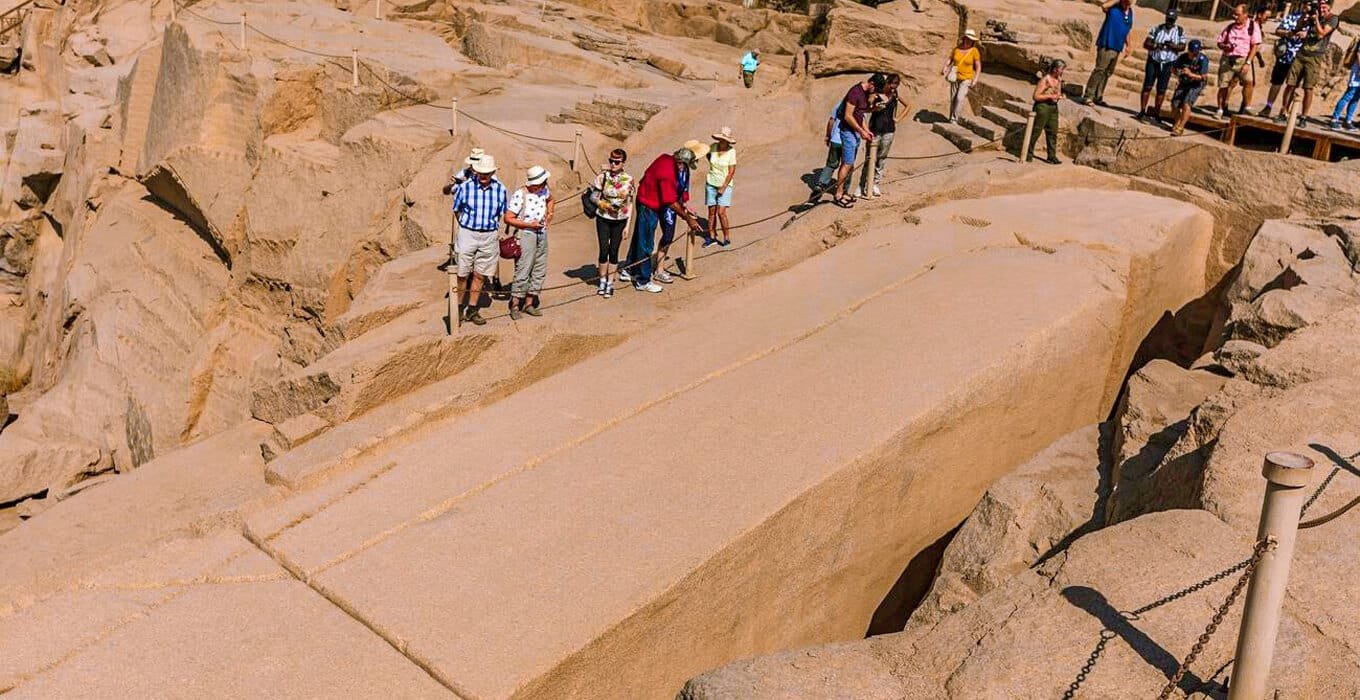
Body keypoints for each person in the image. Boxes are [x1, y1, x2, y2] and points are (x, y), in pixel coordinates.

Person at [621, 146, 705, 293]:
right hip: (648, 204)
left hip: (654, 201)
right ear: (679, 162)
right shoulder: (667, 173)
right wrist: (687, 219)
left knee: (639, 238)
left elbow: (680, 189)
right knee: (646, 241)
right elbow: (670, 201)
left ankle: (630, 269)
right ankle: (643, 280)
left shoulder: (670, 161)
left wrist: (685, 204)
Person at [450, 155, 508, 326]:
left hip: (489, 235)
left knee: (480, 274)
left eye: (487, 173)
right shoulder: (465, 187)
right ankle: (458, 308)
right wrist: (465, 227)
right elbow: (457, 210)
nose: (484, 176)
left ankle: (472, 310)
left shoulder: (500, 189)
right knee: (462, 273)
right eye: (481, 173)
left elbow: (502, 212)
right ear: (475, 171)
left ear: (492, 173)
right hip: (468, 232)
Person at [504, 166, 554, 320]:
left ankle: (529, 303)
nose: (545, 184)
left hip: (541, 234)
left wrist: (550, 214)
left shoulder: (544, 191)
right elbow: (508, 218)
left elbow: (551, 200)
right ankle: (515, 305)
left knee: (539, 268)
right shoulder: (521, 194)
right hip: (526, 234)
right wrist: (529, 225)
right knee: (523, 269)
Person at [1284, 0, 1338, 125]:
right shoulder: (1314, 14)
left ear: (1329, 7)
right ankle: (1284, 111)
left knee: (1308, 88)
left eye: (1324, 7)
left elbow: (1321, 33)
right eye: (1321, 7)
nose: (1322, 9)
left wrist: (1316, 20)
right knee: (1290, 84)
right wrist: (1305, 16)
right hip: (1301, 53)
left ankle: (1304, 116)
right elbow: (1297, 28)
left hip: (1315, 57)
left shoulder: (1333, 19)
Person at [831, 74, 881, 209]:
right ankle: (838, 194)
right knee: (847, 164)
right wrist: (861, 131)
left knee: (851, 163)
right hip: (848, 131)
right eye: (875, 89)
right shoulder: (855, 92)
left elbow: (860, 115)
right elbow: (848, 116)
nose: (874, 93)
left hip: (855, 132)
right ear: (871, 83)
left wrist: (866, 130)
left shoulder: (864, 93)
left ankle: (844, 192)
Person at [592, 148, 633, 298]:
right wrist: (603, 205)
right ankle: (602, 281)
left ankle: (610, 283)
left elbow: (630, 203)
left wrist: (628, 226)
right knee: (604, 250)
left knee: (614, 251)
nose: (613, 164)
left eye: (617, 162)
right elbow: (594, 197)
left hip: (620, 220)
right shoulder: (602, 177)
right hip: (603, 217)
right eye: (611, 161)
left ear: (623, 163)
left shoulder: (628, 179)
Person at [1136, 9, 1186, 123]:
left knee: (1161, 89)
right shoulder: (1157, 29)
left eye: (1172, 20)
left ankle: (1156, 112)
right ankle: (1142, 111)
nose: (1169, 21)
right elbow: (1146, 43)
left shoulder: (1179, 31)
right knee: (1148, 86)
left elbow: (1182, 47)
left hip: (1168, 62)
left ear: (1175, 20)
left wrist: (1172, 45)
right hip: (1154, 60)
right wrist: (1156, 45)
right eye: (1168, 19)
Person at [1082, 0, 1134, 107]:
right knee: (1100, 70)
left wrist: (1128, 45)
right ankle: (1088, 95)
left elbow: (1127, 29)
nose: (1127, 4)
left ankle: (1098, 96)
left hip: (1117, 46)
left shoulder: (1130, 12)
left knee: (1108, 72)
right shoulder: (1114, 8)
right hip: (1107, 43)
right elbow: (1104, 6)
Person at [1215, 4, 1263, 118]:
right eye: (1234, 14)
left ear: (1245, 15)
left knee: (1249, 82)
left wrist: (1248, 62)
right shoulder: (1230, 26)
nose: (1234, 16)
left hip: (1243, 58)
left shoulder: (1252, 26)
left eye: (1237, 14)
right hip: (1228, 58)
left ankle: (1247, 107)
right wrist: (1224, 46)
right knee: (1224, 84)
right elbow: (1219, 42)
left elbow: (1254, 46)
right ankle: (1220, 109)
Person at [1259, 5, 1306, 118]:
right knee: (1276, 82)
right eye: (1306, 4)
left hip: (1300, 57)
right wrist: (1288, 33)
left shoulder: (1313, 22)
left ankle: (1284, 110)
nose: (1307, 7)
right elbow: (1278, 30)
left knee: (1292, 85)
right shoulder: (1292, 17)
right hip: (1285, 55)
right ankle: (1268, 106)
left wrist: (1305, 35)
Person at [861, 73, 903, 197]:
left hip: (889, 130)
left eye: (896, 85)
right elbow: (867, 106)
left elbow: (909, 105)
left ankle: (875, 184)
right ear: (887, 83)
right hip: (875, 129)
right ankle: (862, 185)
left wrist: (898, 119)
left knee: (881, 158)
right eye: (892, 84)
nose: (893, 87)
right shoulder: (877, 94)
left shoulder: (895, 95)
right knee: (869, 158)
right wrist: (874, 104)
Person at [1171, 39, 1212, 136]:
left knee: (1186, 103)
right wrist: (1179, 73)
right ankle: (1177, 122)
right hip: (1184, 81)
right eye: (1192, 53)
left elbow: (1203, 77)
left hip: (1196, 83)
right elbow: (1174, 69)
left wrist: (1190, 74)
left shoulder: (1202, 59)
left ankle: (1181, 127)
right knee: (1174, 104)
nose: (1194, 55)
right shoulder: (1183, 57)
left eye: (1196, 53)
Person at [705, 127, 737, 248]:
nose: (722, 142)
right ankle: (712, 236)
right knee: (711, 211)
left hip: (725, 184)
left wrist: (723, 187)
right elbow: (708, 156)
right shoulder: (713, 146)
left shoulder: (731, 152)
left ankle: (726, 237)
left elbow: (731, 172)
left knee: (721, 212)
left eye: (724, 140)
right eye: (720, 139)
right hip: (711, 182)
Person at [1028, 60, 1064, 165]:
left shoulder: (1059, 80)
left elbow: (1058, 93)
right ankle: (1028, 153)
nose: (1062, 72)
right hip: (1042, 107)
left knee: (1053, 132)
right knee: (1036, 131)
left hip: (1053, 107)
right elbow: (1036, 96)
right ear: (1055, 69)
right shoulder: (1045, 80)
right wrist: (1049, 96)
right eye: (1061, 69)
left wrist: (1059, 96)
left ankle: (1051, 156)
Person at [944, 30, 982, 123]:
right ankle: (951, 118)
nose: (968, 41)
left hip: (966, 79)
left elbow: (978, 66)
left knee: (959, 98)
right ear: (964, 39)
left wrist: (975, 78)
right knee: (953, 99)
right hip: (955, 77)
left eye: (970, 40)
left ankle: (954, 119)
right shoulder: (956, 49)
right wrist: (945, 67)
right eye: (967, 39)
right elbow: (950, 59)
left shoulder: (974, 51)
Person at [1328, 39, 1359, 130]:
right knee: (1349, 95)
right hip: (1357, 72)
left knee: (1356, 98)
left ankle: (1348, 120)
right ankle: (1334, 119)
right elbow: (1358, 54)